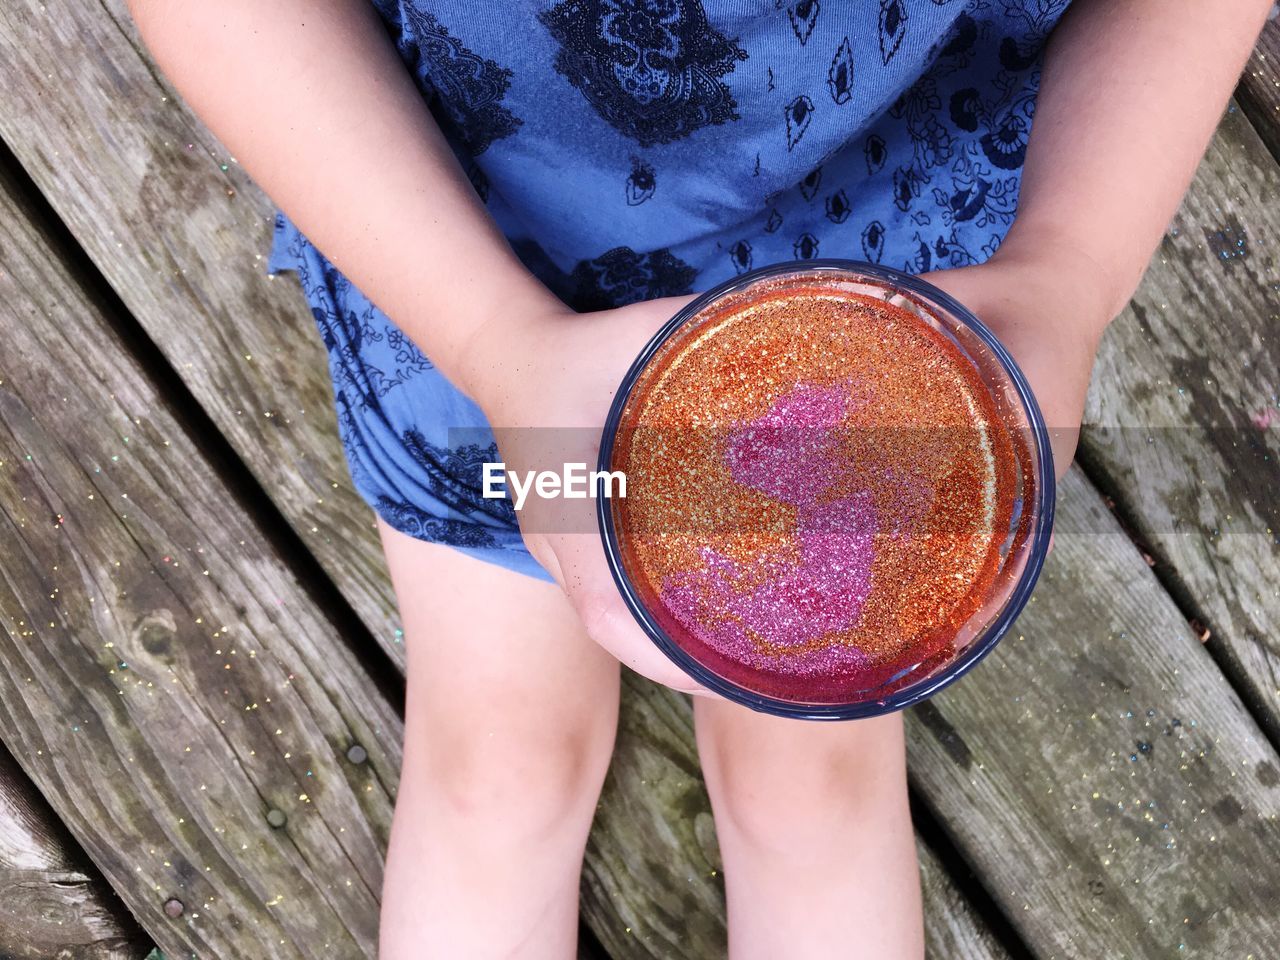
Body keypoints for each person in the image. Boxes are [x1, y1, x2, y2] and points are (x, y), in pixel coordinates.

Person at [125, 2, 1272, 956]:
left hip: (873, 321)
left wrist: (1066, 276)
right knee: (497, 769)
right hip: (462, 253)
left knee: (807, 795)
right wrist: (496, 340)